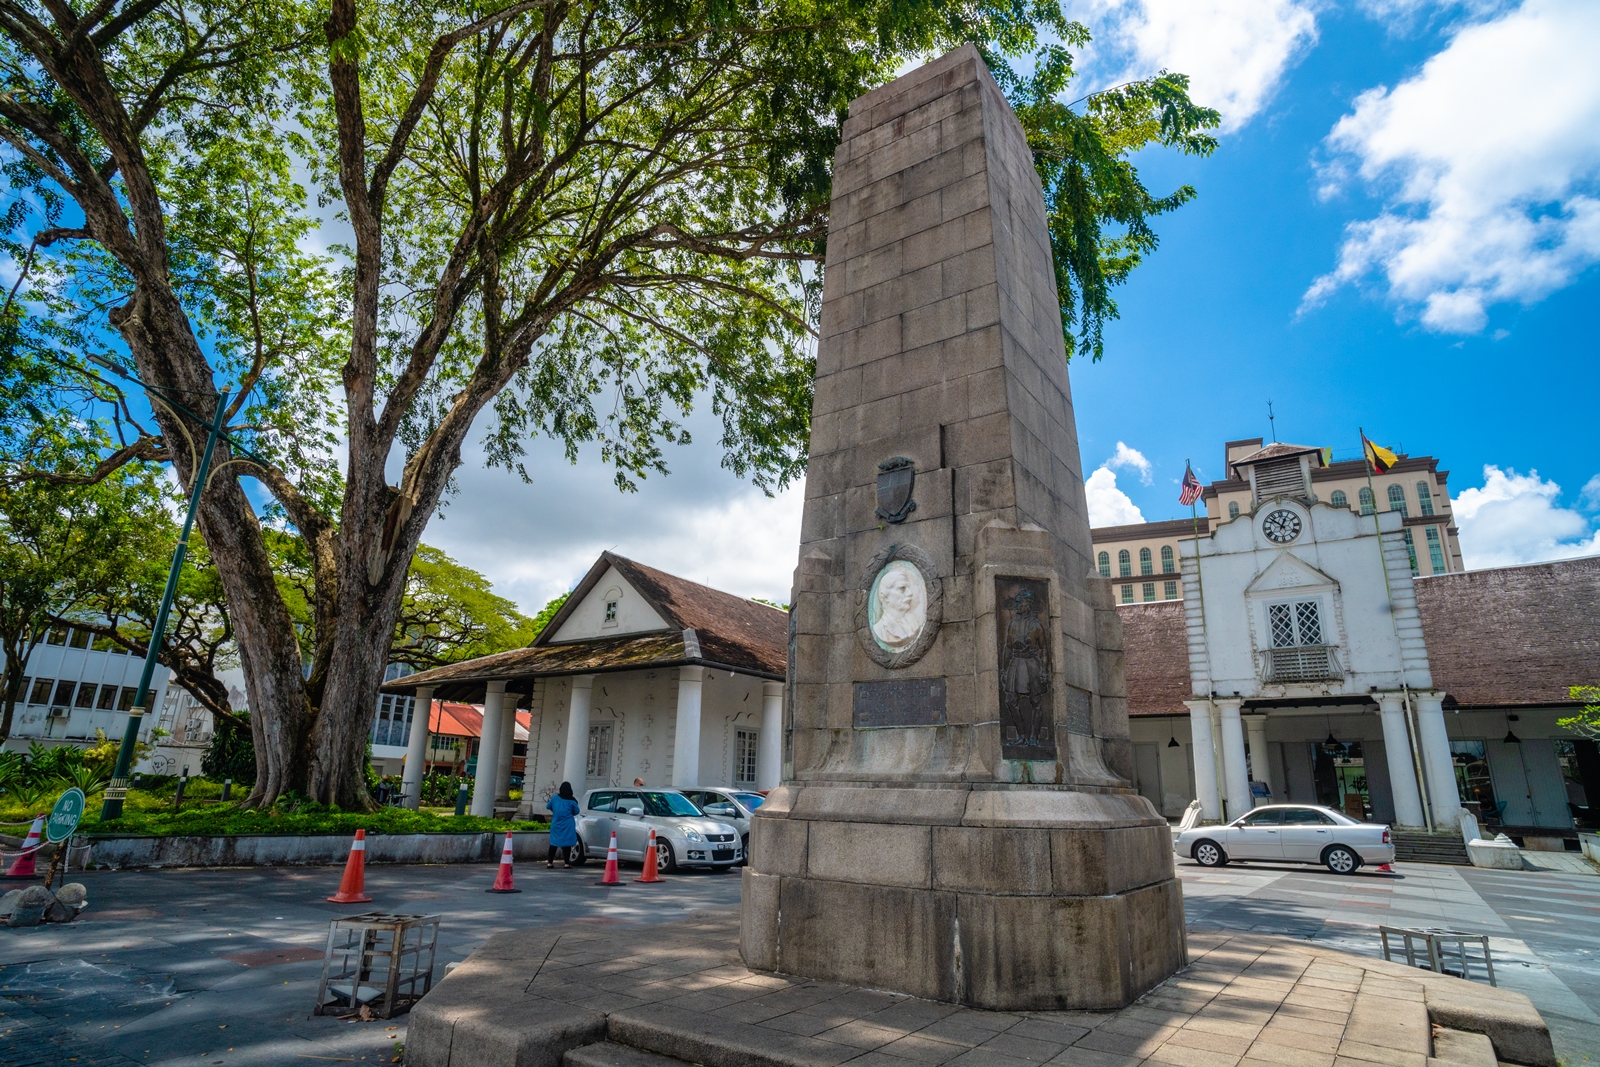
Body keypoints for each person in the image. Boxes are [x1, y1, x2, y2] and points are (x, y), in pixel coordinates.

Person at [546, 782, 580, 868]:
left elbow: (548, 806)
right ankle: (566, 863)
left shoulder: (555, 798)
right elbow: (577, 811)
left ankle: (550, 863)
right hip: (567, 825)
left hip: (556, 824)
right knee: (567, 844)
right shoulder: (572, 800)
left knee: (553, 843)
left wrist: (555, 810)